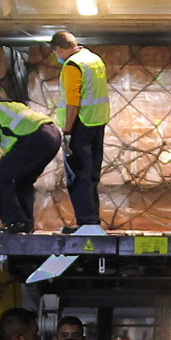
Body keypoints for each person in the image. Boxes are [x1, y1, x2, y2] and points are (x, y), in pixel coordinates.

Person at [0, 87, 62, 234]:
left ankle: (15, 223)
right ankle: (25, 224)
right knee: (22, 180)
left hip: (37, 138)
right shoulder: (5, 105)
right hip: (51, 135)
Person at [48, 31, 110, 232]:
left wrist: (67, 132)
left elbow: (73, 102)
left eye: (56, 52)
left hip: (80, 124)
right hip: (97, 122)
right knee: (91, 175)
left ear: (59, 48)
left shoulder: (73, 65)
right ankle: (92, 220)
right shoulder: (94, 59)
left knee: (77, 175)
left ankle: (86, 223)